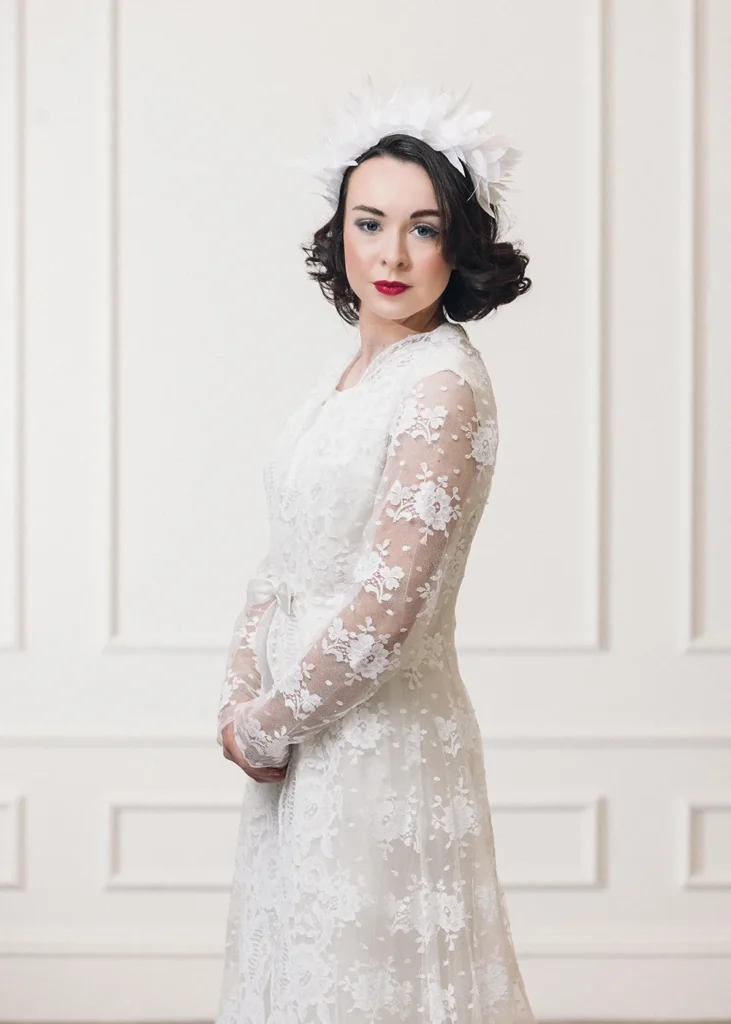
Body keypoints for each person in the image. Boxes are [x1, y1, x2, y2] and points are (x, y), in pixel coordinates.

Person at [215, 78, 535, 1023]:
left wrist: (267, 724)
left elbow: (387, 608)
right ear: (340, 232)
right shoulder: (349, 371)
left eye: (424, 227)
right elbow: (285, 560)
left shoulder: (439, 385)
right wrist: (242, 696)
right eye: (369, 222)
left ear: (460, 243)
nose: (391, 253)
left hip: (378, 749)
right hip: (297, 742)